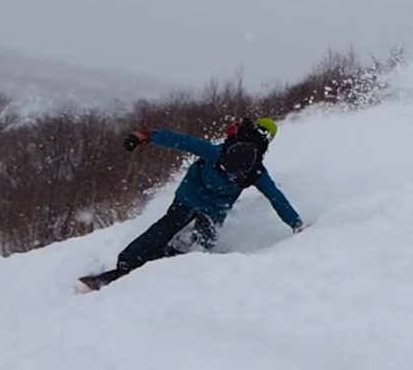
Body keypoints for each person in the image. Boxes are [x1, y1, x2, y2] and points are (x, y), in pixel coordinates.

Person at [79, 117, 304, 291]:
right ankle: (144, 261)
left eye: (235, 176)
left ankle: (151, 262)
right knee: (185, 234)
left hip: (202, 203)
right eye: (226, 171)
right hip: (201, 203)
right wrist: (143, 135)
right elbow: (180, 140)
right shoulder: (235, 162)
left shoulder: (237, 163)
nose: (230, 177)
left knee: (185, 237)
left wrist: (296, 223)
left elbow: (276, 197)